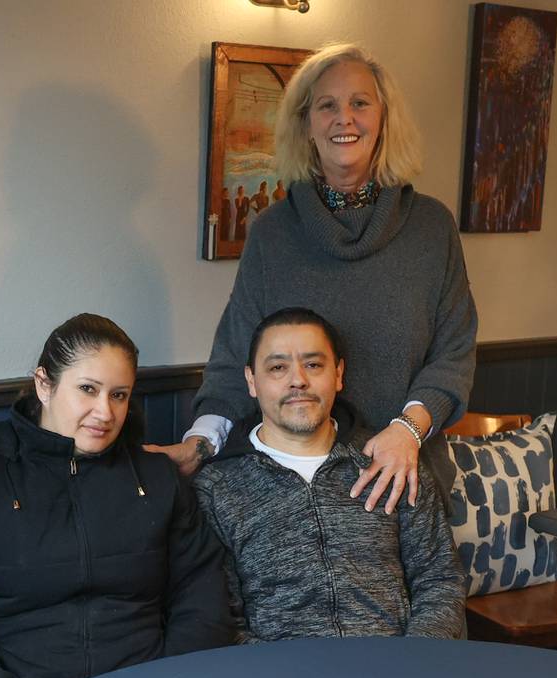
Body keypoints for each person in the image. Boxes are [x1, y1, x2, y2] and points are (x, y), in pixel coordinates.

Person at [152, 42, 478, 516]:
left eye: (359, 103)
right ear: (306, 125)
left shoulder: (431, 228)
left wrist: (407, 431)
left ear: (384, 118)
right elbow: (233, 358)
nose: (343, 118)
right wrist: (200, 443)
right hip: (290, 492)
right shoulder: (271, 233)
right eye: (327, 105)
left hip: (400, 484)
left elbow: (454, 354)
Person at [0, 313, 232, 678]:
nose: (105, 412)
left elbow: (202, 596)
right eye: (87, 389)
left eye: (120, 395)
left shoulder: (158, 480)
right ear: (44, 385)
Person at [193, 308, 464, 642]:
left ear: (338, 374)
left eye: (313, 365)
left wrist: (413, 661)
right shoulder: (216, 490)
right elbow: (222, 620)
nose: (298, 380)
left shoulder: (391, 462)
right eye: (278, 367)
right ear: (252, 380)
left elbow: (439, 581)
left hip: (397, 672)